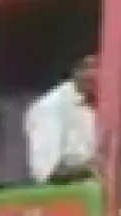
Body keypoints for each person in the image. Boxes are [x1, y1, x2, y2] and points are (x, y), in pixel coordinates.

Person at [25, 55, 98, 184]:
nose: (97, 73)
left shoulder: (104, 103)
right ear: (76, 71)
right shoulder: (50, 107)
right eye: (90, 67)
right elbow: (46, 173)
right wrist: (93, 167)